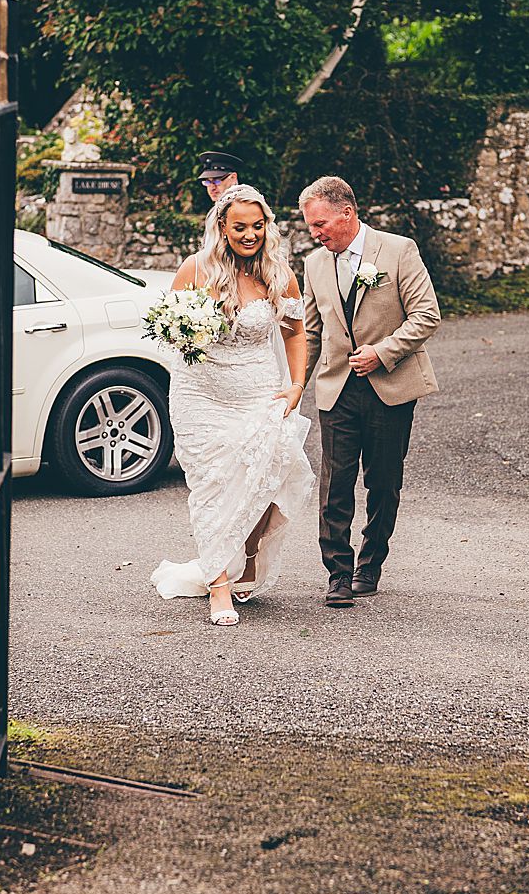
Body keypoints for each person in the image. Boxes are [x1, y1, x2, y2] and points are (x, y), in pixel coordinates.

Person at [150, 184, 316, 626]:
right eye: (240, 227)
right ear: (221, 226)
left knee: (278, 474)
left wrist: (297, 384)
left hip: (258, 391)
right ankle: (218, 584)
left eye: (257, 226)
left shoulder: (279, 274)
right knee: (213, 488)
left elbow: (294, 333)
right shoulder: (195, 269)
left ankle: (241, 551)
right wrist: (184, 332)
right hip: (201, 396)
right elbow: (168, 329)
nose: (249, 235)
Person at [299, 177, 441, 607]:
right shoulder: (313, 264)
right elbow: (311, 333)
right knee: (335, 485)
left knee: (383, 482)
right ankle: (338, 574)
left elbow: (426, 315)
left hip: (390, 386)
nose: (315, 234)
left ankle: (371, 564)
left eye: (320, 224)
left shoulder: (399, 250)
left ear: (348, 213)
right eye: (310, 227)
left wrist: (383, 353)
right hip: (336, 389)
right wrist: (293, 389)